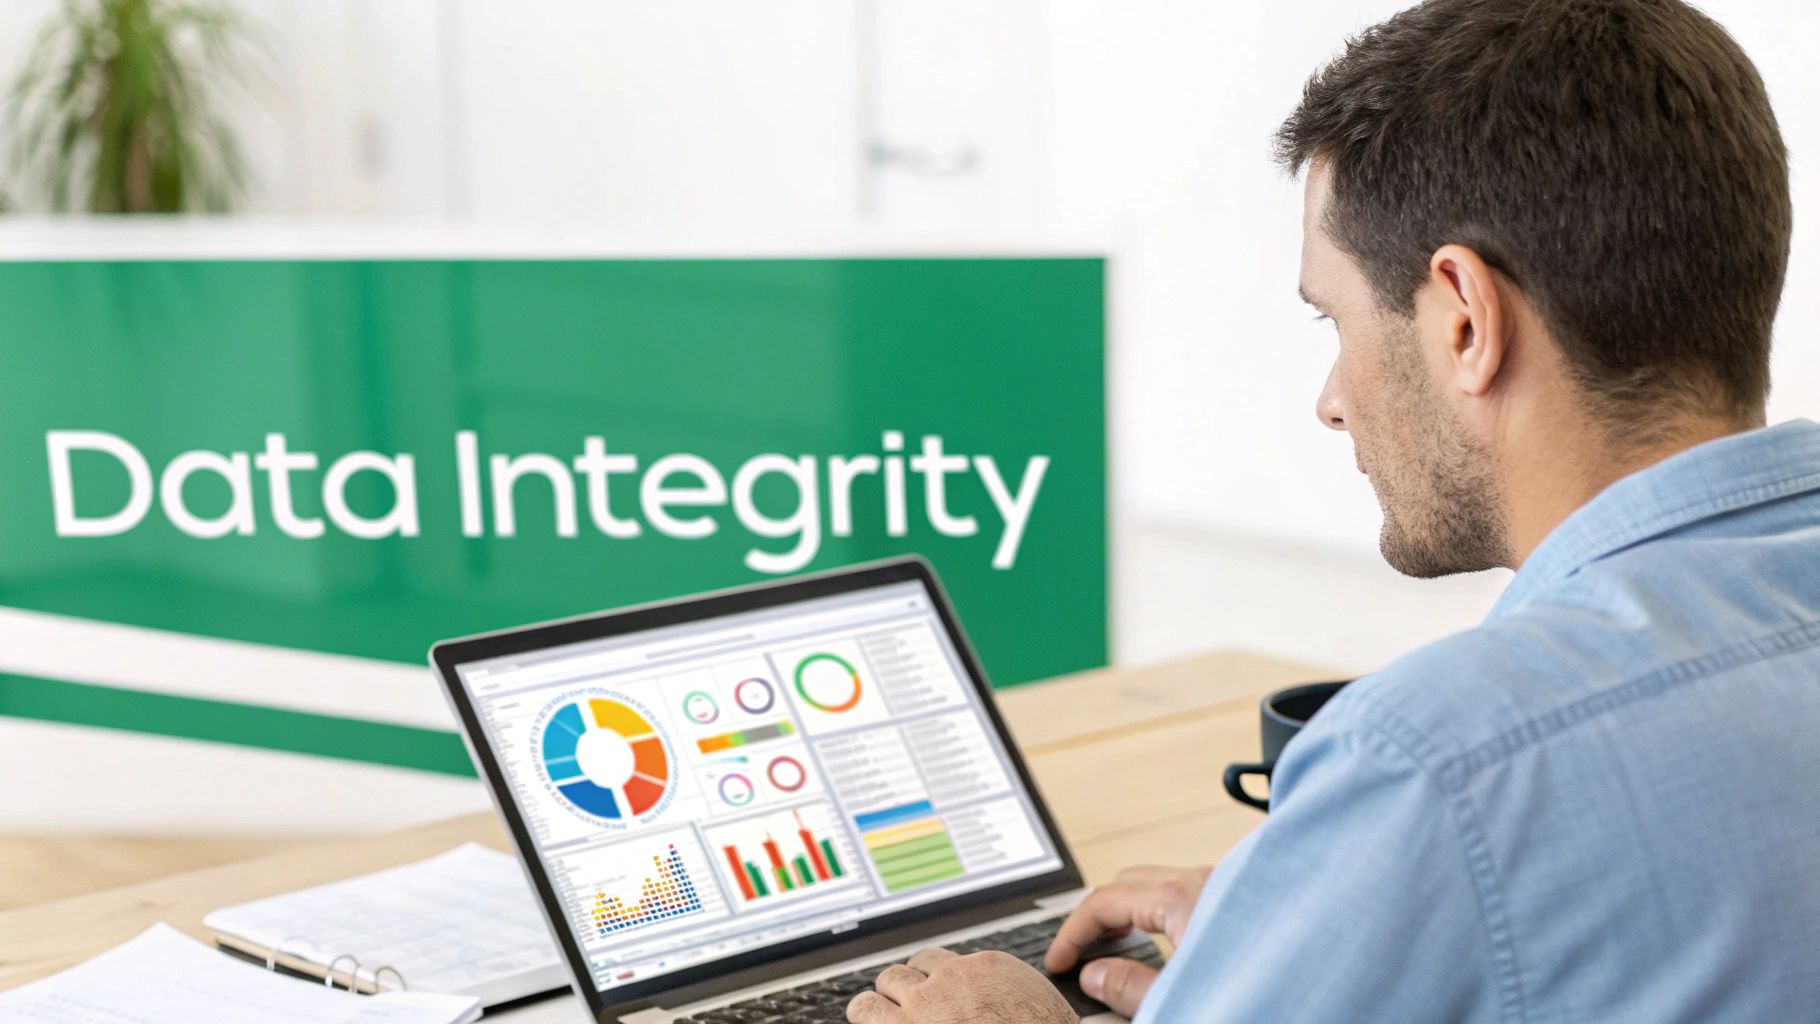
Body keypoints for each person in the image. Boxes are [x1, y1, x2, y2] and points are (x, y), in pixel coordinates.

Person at [847, 0, 1820, 1020]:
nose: (1331, 399)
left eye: (1335, 318)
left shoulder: (1435, 759)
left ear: (1463, 321)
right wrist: (1313, 921)